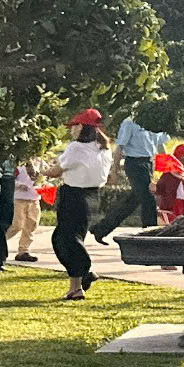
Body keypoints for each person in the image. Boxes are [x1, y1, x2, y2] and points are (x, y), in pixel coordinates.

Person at [47, 111, 112, 300]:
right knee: (67, 239)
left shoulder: (76, 147)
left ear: (81, 127)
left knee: (67, 239)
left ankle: (85, 272)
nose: (71, 131)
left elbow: (57, 171)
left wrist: (41, 170)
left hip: (74, 195)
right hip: (93, 196)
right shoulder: (104, 147)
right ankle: (77, 285)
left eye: (74, 126)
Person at [91, 111, 166, 241]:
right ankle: (150, 234)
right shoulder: (130, 123)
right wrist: (114, 170)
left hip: (148, 162)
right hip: (134, 163)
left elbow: (160, 146)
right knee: (148, 199)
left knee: (133, 201)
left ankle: (101, 228)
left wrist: (167, 168)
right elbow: (119, 147)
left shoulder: (156, 122)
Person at [10, 157, 44, 263]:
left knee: (31, 225)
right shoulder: (18, 163)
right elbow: (9, 180)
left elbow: (43, 177)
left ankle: (24, 251)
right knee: (17, 225)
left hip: (34, 198)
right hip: (18, 199)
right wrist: (19, 185)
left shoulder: (40, 162)